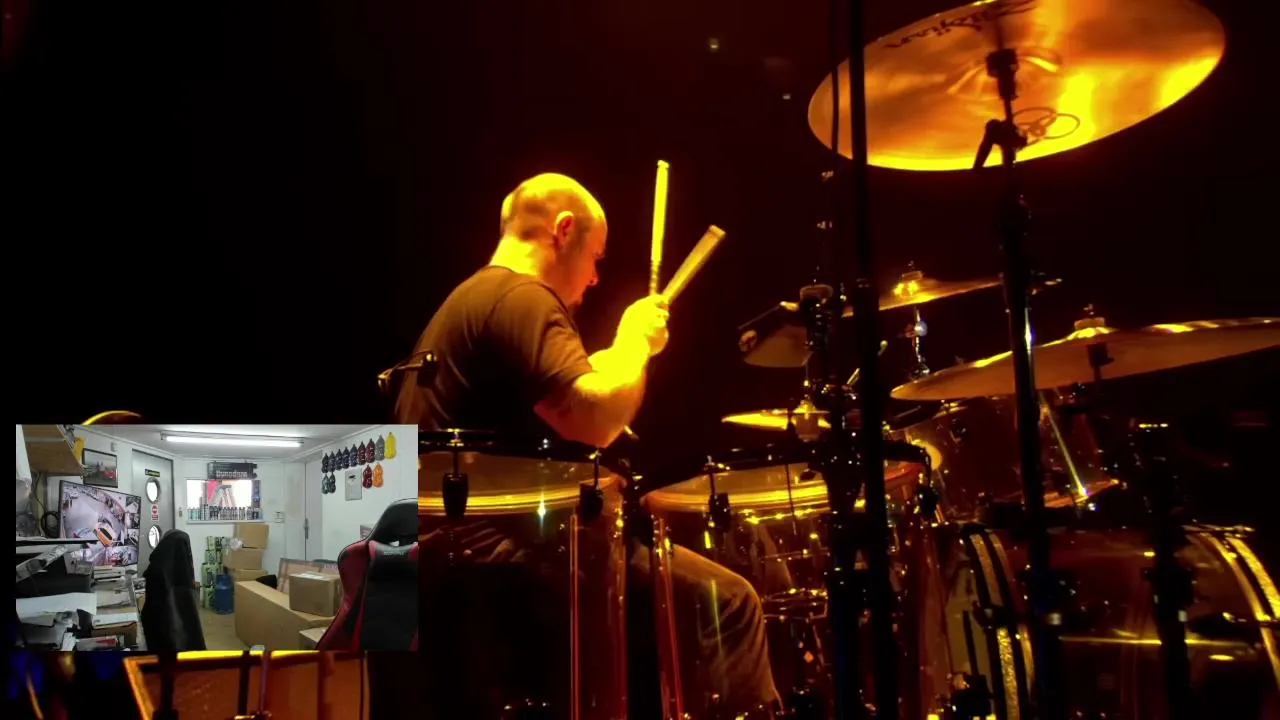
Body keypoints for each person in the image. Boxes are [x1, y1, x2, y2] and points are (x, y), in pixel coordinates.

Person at [399, 172, 781, 715]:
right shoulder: (522, 297)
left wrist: (614, 361)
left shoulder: (475, 300)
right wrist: (634, 342)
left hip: (439, 551)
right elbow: (594, 417)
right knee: (728, 602)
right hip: (496, 553)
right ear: (563, 230)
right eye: (596, 256)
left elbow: (561, 403)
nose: (597, 277)